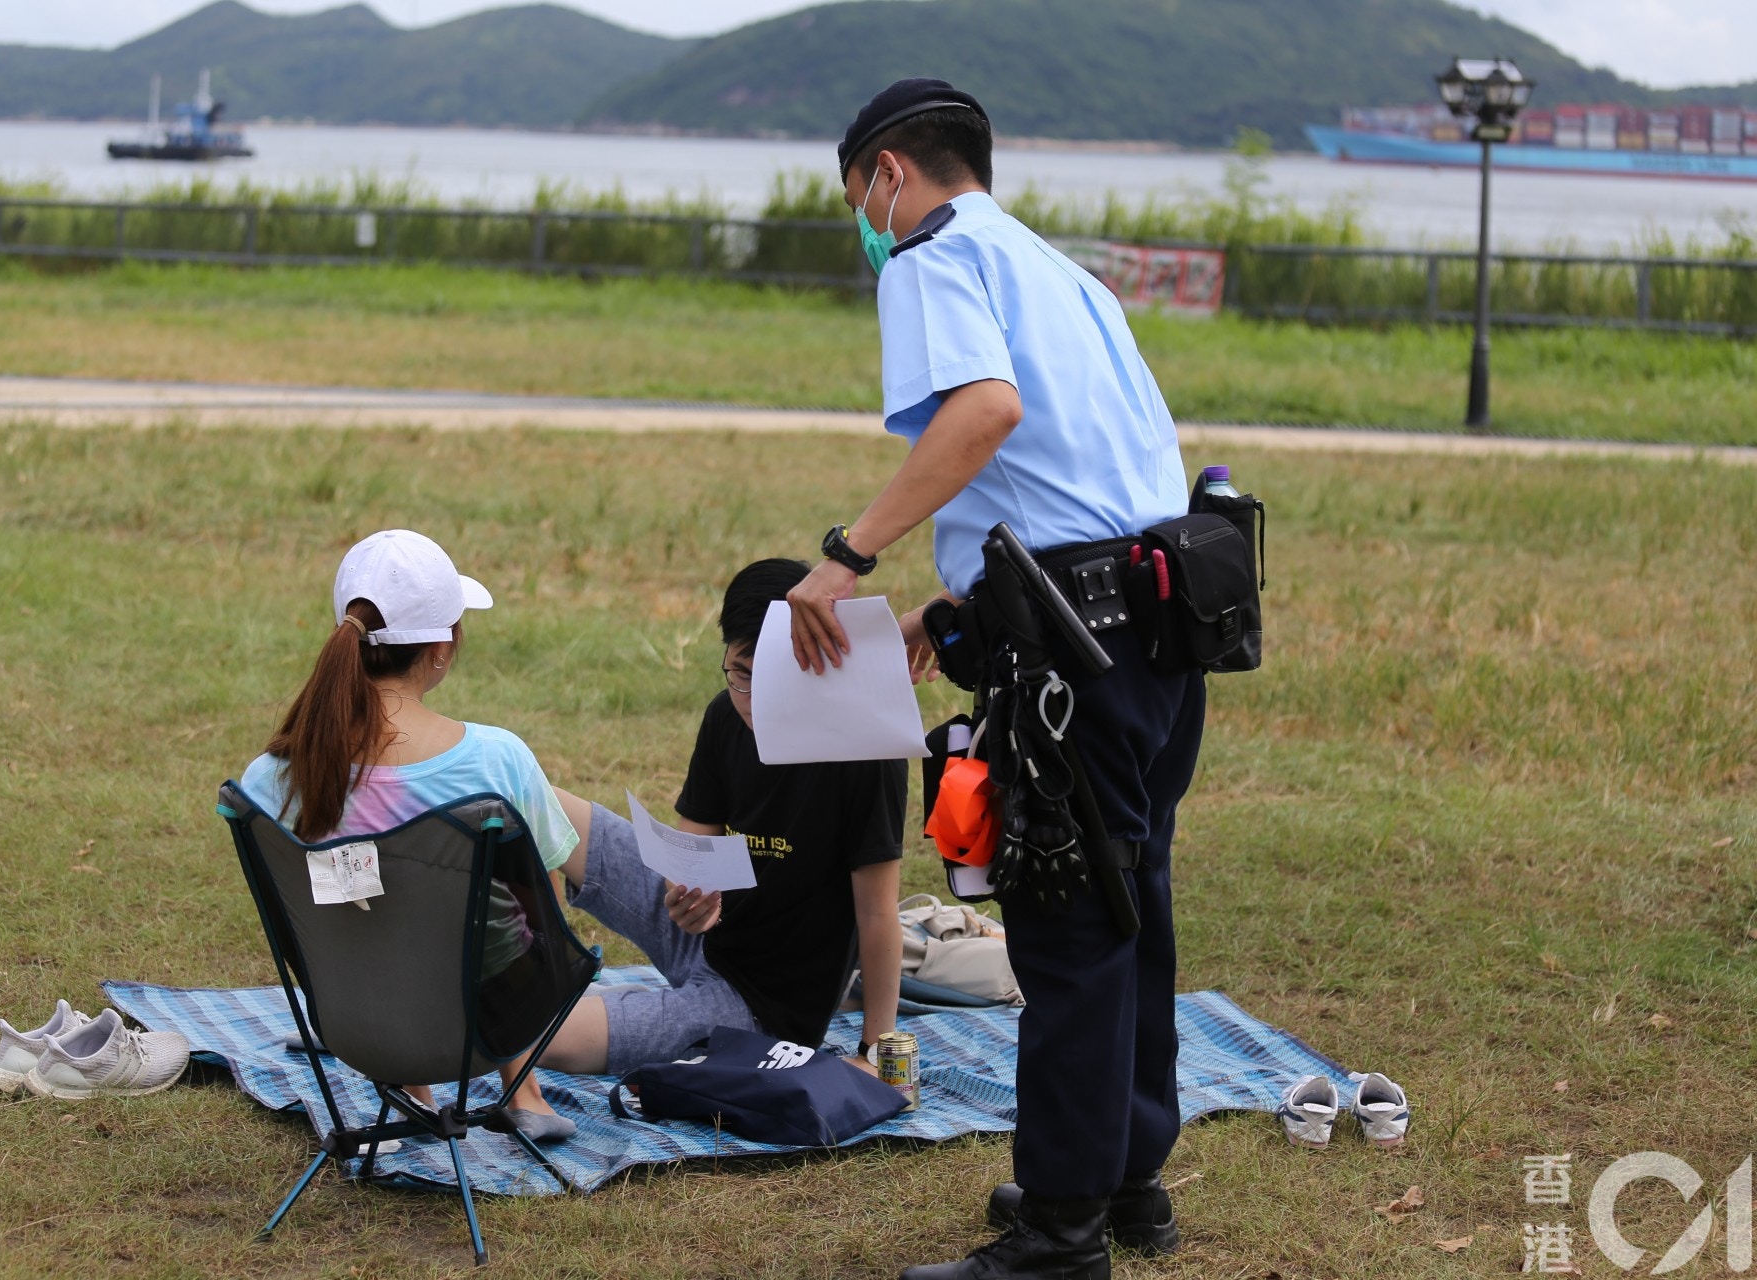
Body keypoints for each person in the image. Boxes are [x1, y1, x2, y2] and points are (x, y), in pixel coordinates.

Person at [782, 81, 1208, 1280]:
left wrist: (846, 558)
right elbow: (1088, 475)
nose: (865, 220)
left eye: (858, 197)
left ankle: (1059, 1234)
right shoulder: (1063, 273)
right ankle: (1125, 1176)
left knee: (1068, 925)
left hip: (1076, 653)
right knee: (1135, 905)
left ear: (887, 175)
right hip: (1160, 621)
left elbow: (985, 411)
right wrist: (955, 603)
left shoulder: (929, 255)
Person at [237, 528, 580, 1144]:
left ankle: (410, 1094)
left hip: (352, 1009)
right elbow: (546, 900)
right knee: (501, 921)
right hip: (481, 1022)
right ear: (442, 647)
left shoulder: (271, 777)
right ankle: (524, 1091)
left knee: (360, 892)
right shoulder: (497, 760)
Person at [539, 558, 905, 1079]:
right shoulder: (724, 715)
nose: (752, 700)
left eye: (774, 679)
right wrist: (689, 894)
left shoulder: (867, 751)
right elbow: (693, 850)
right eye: (740, 674)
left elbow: (878, 914)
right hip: (702, 932)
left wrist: (874, 1052)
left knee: (542, 1036)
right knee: (527, 796)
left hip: (758, 1006)